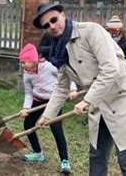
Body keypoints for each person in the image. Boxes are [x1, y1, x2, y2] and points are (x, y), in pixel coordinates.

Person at [34, 3, 126, 176]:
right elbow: (61, 87)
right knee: (97, 155)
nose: (51, 26)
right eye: (46, 25)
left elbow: (111, 69)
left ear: (63, 15)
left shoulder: (90, 31)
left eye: (53, 20)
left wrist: (87, 100)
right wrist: (48, 115)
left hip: (123, 99)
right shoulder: (59, 50)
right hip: (100, 103)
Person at [18, 43, 77, 174]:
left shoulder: (49, 67)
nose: (23, 65)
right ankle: (38, 153)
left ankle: (65, 161)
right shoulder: (27, 74)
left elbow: (66, 75)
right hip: (38, 100)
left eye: (25, 62)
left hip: (53, 100)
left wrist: (72, 89)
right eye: (22, 62)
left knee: (56, 128)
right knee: (28, 124)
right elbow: (28, 93)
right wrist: (26, 108)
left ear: (33, 60)